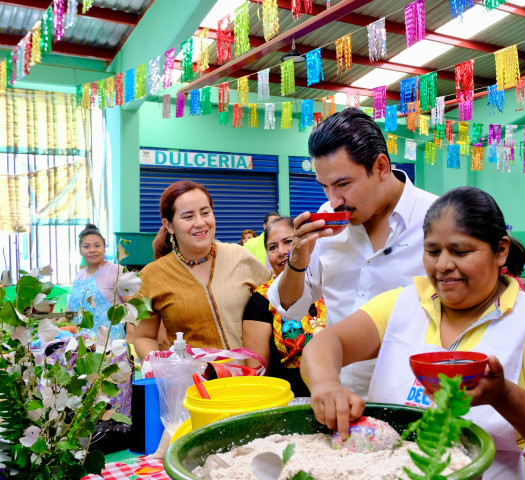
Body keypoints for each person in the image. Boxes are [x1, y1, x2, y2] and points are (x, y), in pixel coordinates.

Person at [301, 187, 525, 479]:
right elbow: (327, 342)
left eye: (460, 252)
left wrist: (505, 397)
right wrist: (325, 384)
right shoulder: (403, 303)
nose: (443, 265)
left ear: (500, 251)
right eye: (432, 251)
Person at [267, 108, 438, 398]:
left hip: (415, 397)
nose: (334, 201)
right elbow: (292, 308)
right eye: (325, 187)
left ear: (381, 167)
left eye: (343, 184)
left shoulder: (436, 220)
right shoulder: (324, 221)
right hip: (339, 392)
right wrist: (296, 261)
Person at [132, 181, 271, 360]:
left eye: (206, 212)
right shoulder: (152, 275)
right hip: (193, 385)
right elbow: (143, 336)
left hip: (251, 382)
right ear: (169, 225)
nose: (200, 222)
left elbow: (276, 302)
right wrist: (165, 371)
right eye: (188, 216)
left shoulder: (240, 257)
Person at [243, 217, 326, 397]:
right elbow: (258, 373)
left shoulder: (328, 285)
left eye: (289, 242)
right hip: (291, 403)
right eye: (272, 247)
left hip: (342, 391)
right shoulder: (261, 299)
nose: (281, 251)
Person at [68, 223, 130, 340]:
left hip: (111, 341)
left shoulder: (117, 271)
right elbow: (72, 309)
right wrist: (57, 320)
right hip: (81, 341)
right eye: (86, 247)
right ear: (80, 251)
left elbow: (131, 306)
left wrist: (130, 337)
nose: (92, 250)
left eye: (97, 246)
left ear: (104, 248)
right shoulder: (79, 275)